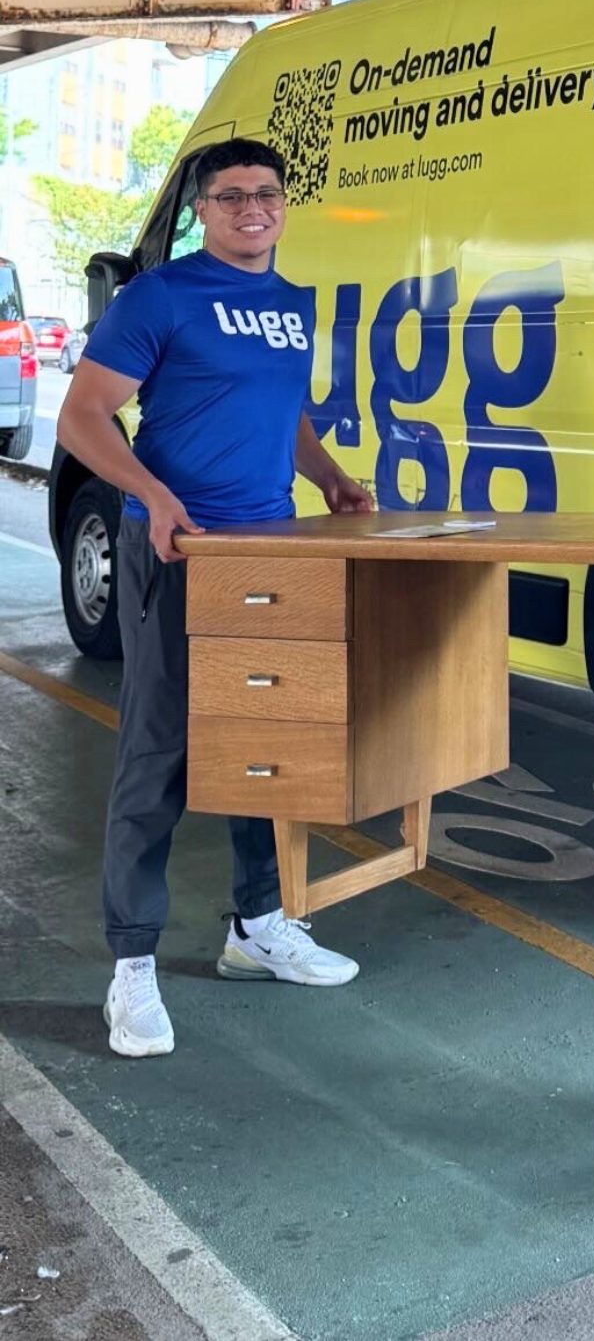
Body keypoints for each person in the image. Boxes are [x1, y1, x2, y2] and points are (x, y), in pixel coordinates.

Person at [57, 139, 374, 1060]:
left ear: (284, 204)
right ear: (202, 208)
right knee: (158, 750)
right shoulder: (157, 297)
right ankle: (131, 966)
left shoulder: (289, 304)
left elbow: (286, 410)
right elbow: (85, 416)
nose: (251, 209)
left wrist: (332, 477)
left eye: (266, 194)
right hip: (178, 548)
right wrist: (153, 497)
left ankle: (257, 927)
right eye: (230, 196)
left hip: (268, 547)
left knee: (263, 740)